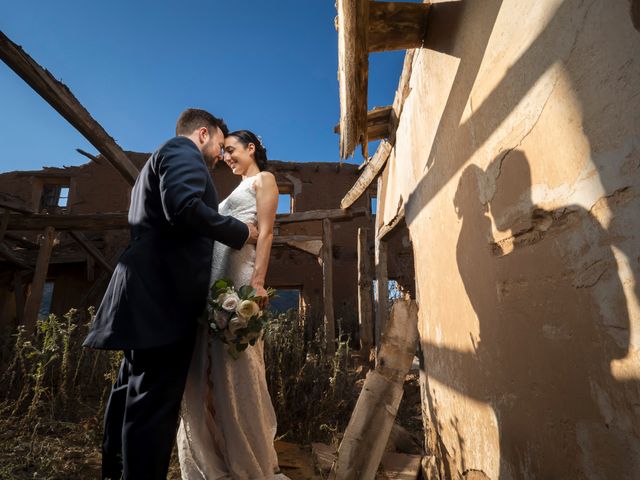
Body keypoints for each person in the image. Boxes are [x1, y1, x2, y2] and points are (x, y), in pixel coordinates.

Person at [83, 109, 258, 480]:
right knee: (153, 407)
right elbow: (183, 207)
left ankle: (114, 472)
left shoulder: (157, 160)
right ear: (202, 134)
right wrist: (241, 232)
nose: (219, 158)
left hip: (144, 295)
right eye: (219, 147)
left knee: (129, 393)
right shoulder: (182, 151)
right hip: (162, 298)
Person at [177, 130, 289, 479]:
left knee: (235, 366)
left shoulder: (264, 180)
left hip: (238, 280)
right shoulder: (234, 189)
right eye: (223, 152)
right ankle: (215, 458)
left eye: (231, 150)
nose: (226, 157)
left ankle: (244, 457)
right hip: (216, 279)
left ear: (251, 148)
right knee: (207, 372)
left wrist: (256, 282)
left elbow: (267, 232)